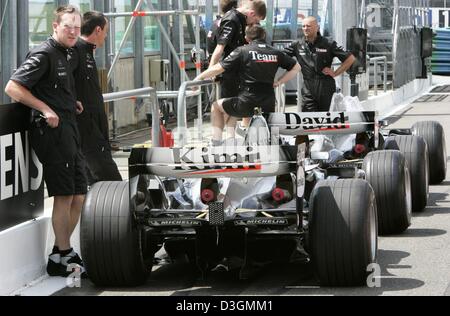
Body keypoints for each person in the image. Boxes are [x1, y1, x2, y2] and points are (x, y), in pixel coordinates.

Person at [4, 5, 87, 277]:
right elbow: (13, 87)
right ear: (55, 27)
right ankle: (63, 255)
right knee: (63, 195)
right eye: (68, 27)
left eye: (77, 27)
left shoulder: (69, 53)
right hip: (51, 134)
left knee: (79, 194)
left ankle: (59, 251)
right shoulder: (44, 53)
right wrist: (45, 108)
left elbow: (54, 86)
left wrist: (68, 102)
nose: (73, 31)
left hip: (69, 129)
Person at [194, 25, 301, 145]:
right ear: (264, 36)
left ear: (246, 38)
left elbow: (219, 68)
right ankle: (236, 140)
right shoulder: (275, 52)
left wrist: (199, 77)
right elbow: (296, 67)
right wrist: (280, 81)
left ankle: (216, 142)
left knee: (216, 106)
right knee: (239, 113)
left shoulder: (242, 51)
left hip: (247, 102)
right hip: (268, 103)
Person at [70, 11, 122, 185]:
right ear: (98, 30)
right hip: (86, 124)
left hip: (95, 123)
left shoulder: (87, 52)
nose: (106, 36)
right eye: (106, 31)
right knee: (106, 172)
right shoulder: (75, 51)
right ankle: (119, 207)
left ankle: (98, 208)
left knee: (94, 174)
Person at [284, 16, 356, 112]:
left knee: (326, 121)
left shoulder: (328, 43)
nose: (305, 28)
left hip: (326, 88)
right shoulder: (297, 44)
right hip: (308, 88)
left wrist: (336, 73)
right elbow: (279, 57)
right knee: (309, 121)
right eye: (303, 26)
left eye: (308, 26)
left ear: (317, 27)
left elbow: (350, 58)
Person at [209, 0, 267, 100]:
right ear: (252, 14)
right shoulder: (231, 19)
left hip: (237, 73)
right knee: (228, 109)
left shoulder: (241, 19)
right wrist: (211, 70)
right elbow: (220, 47)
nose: (254, 24)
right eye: (255, 21)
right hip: (228, 73)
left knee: (238, 109)